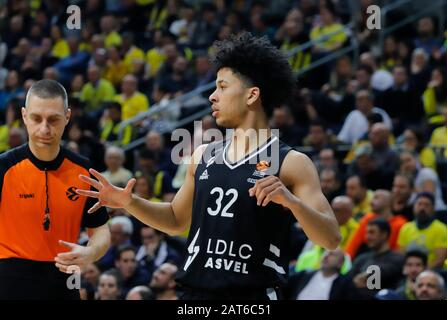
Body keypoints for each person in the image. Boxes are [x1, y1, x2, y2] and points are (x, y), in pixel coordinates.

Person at [77, 32, 341, 300]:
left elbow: (331, 238)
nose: (213, 96)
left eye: (222, 87)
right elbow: (176, 221)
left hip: (251, 298)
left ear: (252, 95)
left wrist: (292, 202)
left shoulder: (291, 162)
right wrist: (130, 202)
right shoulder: (203, 154)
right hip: (196, 297)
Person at [0, 79, 110, 300]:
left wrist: (90, 252)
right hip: (9, 279)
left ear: (67, 117)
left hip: (65, 279)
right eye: (36, 118)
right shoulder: (4, 168)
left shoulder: (83, 170)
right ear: (23, 116)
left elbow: (100, 230)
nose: (44, 129)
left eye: (53, 119)